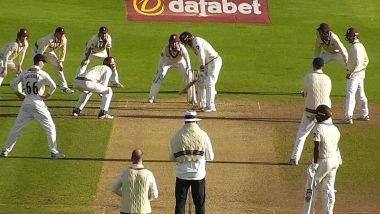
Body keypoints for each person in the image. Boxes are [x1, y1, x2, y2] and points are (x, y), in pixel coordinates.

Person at [0, 54, 65, 159]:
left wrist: (18, 94)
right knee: (50, 127)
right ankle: (54, 152)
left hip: (26, 103)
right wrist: (47, 95)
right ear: (39, 62)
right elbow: (53, 86)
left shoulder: (25, 72)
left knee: (17, 128)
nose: (43, 64)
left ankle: (5, 150)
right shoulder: (43, 74)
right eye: (43, 62)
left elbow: (12, 84)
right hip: (38, 103)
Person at [170, 111, 214, 214]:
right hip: (198, 174)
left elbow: (172, 157)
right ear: (196, 122)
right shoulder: (203, 135)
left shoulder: (177, 136)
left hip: (181, 174)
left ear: (185, 122)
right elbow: (210, 156)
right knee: (199, 204)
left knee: (180, 204)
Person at [289, 57, 331, 166]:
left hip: (310, 113)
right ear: (323, 66)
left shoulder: (308, 77)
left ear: (313, 65)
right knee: (329, 136)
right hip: (325, 114)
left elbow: (306, 93)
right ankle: (336, 157)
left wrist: (304, 94)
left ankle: (294, 158)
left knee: (301, 135)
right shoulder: (327, 78)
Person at [301, 105, 340, 214]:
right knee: (328, 188)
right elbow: (336, 146)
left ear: (322, 117)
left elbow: (317, 147)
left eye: (317, 115)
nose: (316, 117)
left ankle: (307, 212)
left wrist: (315, 163)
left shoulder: (318, 128)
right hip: (335, 160)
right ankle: (328, 212)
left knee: (311, 187)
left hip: (324, 161)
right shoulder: (335, 128)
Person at [180, 32, 222, 112]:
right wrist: (202, 68)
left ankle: (210, 106)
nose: (186, 44)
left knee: (209, 83)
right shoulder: (192, 44)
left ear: (188, 39)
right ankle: (201, 104)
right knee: (200, 82)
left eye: (186, 42)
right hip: (206, 64)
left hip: (214, 62)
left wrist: (201, 68)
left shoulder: (196, 41)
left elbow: (201, 55)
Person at [148, 34, 196, 104]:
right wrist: (159, 71)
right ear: (169, 42)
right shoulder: (165, 49)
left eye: (176, 42)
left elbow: (187, 60)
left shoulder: (183, 48)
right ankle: (151, 97)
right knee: (158, 77)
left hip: (180, 62)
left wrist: (189, 70)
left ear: (178, 42)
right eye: (172, 42)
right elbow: (161, 61)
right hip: (168, 62)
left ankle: (192, 98)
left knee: (189, 77)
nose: (174, 44)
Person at [111, 149, 158, 214]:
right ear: (142, 159)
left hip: (126, 211)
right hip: (144, 211)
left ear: (131, 159)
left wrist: (125, 195)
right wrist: (147, 199)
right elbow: (155, 195)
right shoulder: (149, 174)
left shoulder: (124, 173)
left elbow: (114, 189)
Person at [341, 27, 370, 124]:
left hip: (354, 76)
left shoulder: (355, 47)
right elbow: (366, 60)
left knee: (350, 95)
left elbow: (358, 62)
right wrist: (362, 70)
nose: (348, 38)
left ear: (354, 36)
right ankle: (365, 114)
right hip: (360, 75)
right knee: (361, 95)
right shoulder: (360, 45)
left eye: (349, 36)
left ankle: (348, 117)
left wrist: (351, 73)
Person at [34, 27, 74, 94]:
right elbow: (40, 51)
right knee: (36, 68)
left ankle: (64, 87)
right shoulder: (49, 39)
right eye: (60, 34)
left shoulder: (64, 39)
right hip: (38, 50)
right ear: (56, 34)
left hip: (49, 51)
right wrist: (39, 61)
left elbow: (63, 51)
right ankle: (31, 84)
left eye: (63, 34)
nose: (62, 35)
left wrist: (61, 62)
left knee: (58, 67)